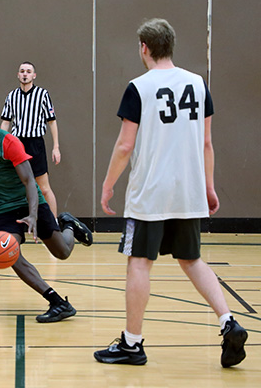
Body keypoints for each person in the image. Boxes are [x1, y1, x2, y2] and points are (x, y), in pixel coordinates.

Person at [93, 19, 247, 367]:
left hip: (150, 194)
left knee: (139, 262)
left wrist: (108, 184)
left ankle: (132, 344)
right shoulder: (197, 83)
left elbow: (124, 146)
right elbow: (206, 143)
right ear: (170, 46)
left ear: (144, 48)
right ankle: (228, 322)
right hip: (189, 191)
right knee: (191, 259)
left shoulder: (139, 87)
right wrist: (208, 187)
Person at [0, 96, 93, 322]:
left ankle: (69, 225)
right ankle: (57, 302)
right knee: (9, 252)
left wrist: (33, 214)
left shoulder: (8, 142)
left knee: (62, 252)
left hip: (30, 201)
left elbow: (29, 182)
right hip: (3, 208)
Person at [1, 61, 60, 216]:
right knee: (17, 188)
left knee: (44, 188)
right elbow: (6, 122)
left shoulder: (42, 94)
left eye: (28, 71)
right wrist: (1, 144)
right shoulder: (11, 96)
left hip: (35, 144)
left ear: (34, 75)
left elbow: (52, 122)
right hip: (17, 144)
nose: (25, 74)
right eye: (22, 71)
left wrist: (56, 147)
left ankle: (53, 225)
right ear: (18, 74)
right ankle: (17, 224)